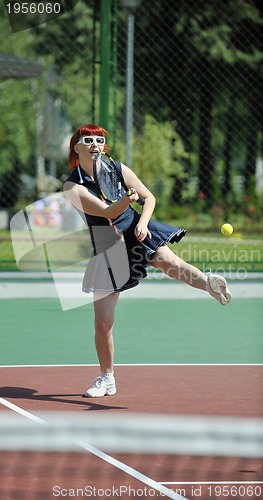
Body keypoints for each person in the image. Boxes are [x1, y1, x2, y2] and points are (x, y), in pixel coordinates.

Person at [64, 124, 232, 398]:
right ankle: (107, 379)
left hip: (135, 229)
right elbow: (107, 211)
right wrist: (127, 198)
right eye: (88, 140)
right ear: (77, 147)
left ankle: (209, 284)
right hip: (109, 247)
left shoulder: (118, 168)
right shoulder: (72, 186)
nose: (95, 143)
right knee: (103, 324)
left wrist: (142, 222)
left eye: (99, 140)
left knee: (170, 263)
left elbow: (149, 197)